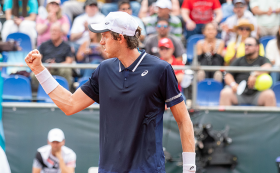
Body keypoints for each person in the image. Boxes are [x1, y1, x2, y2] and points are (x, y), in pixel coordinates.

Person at [25, 12, 196, 173]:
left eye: (105, 36)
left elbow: (183, 120)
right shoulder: (104, 70)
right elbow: (69, 105)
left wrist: (189, 168)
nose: (101, 42)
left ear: (120, 38)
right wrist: (39, 70)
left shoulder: (161, 69)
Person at [219, 37, 276, 106]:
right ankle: (225, 117)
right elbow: (228, 75)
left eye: (249, 45)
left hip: (257, 94)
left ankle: (270, 117)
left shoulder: (263, 59)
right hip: (239, 93)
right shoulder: (238, 60)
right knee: (225, 93)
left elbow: (268, 66)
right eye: (245, 45)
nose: (246, 47)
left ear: (257, 47)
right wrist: (233, 84)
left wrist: (254, 74)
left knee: (269, 94)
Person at [31, 23, 74, 90]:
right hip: (46, 67)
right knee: (34, 74)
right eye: (52, 31)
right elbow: (39, 60)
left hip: (60, 68)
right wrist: (44, 67)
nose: (53, 33)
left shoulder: (67, 46)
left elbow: (69, 62)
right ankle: (41, 93)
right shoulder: (44, 45)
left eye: (55, 31)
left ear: (61, 33)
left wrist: (56, 65)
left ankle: (66, 92)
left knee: (67, 70)